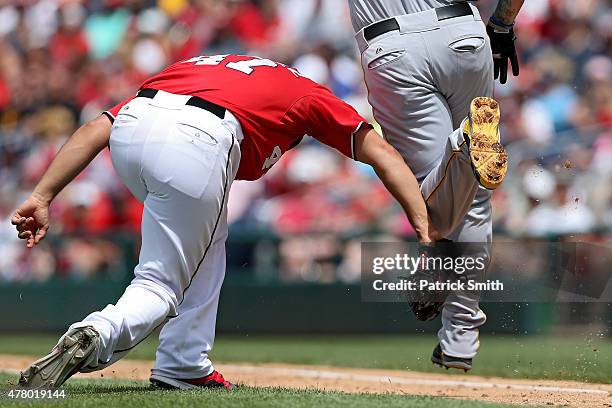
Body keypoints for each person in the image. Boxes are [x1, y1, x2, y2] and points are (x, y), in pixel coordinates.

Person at [13, 53, 454, 390]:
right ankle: (94, 334)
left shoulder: (203, 66)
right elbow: (382, 154)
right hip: (197, 140)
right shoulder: (309, 94)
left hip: (134, 128)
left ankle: (182, 364)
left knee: (209, 237)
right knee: (159, 285)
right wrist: (423, 231)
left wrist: (41, 194)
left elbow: (97, 126)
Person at [347, 0, 522, 370]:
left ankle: (462, 146)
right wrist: (503, 25)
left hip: (391, 46)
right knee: (471, 197)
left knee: (436, 196)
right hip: (463, 33)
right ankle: (459, 340)